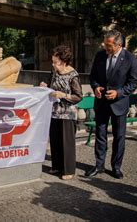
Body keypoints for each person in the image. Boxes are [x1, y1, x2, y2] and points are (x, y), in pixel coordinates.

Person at [86, 29, 137, 179]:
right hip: (101, 103)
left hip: (119, 104)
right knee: (100, 135)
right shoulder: (100, 55)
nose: (105, 48)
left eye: (108, 45)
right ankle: (99, 165)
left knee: (119, 137)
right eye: (105, 44)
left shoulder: (130, 58)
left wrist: (119, 93)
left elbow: (134, 82)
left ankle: (116, 167)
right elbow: (93, 77)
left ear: (119, 45)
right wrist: (95, 87)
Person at [40, 45, 83, 180]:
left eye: (56, 63)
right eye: (52, 62)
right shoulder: (54, 72)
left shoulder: (73, 75)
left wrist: (63, 95)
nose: (53, 65)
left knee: (66, 142)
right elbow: (50, 85)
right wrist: (44, 86)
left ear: (64, 62)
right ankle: (57, 166)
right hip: (54, 111)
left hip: (67, 113)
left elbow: (78, 96)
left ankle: (69, 170)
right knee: (55, 140)